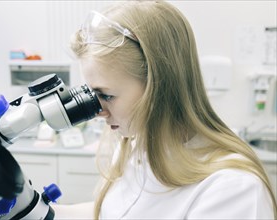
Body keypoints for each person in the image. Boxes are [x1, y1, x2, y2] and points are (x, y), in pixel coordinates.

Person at [54, 1, 277, 219]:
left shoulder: (232, 190)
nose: (98, 111)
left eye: (107, 96)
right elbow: (110, 213)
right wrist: (34, 209)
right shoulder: (136, 147)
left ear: (159, 86)